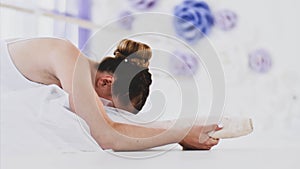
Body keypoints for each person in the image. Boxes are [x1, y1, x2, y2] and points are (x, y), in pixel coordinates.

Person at [0, 37, 221, 151]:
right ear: (106, 82)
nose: (104, 110)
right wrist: (180, 133)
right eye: (109, 105)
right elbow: (105, 134)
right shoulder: (67, 57)